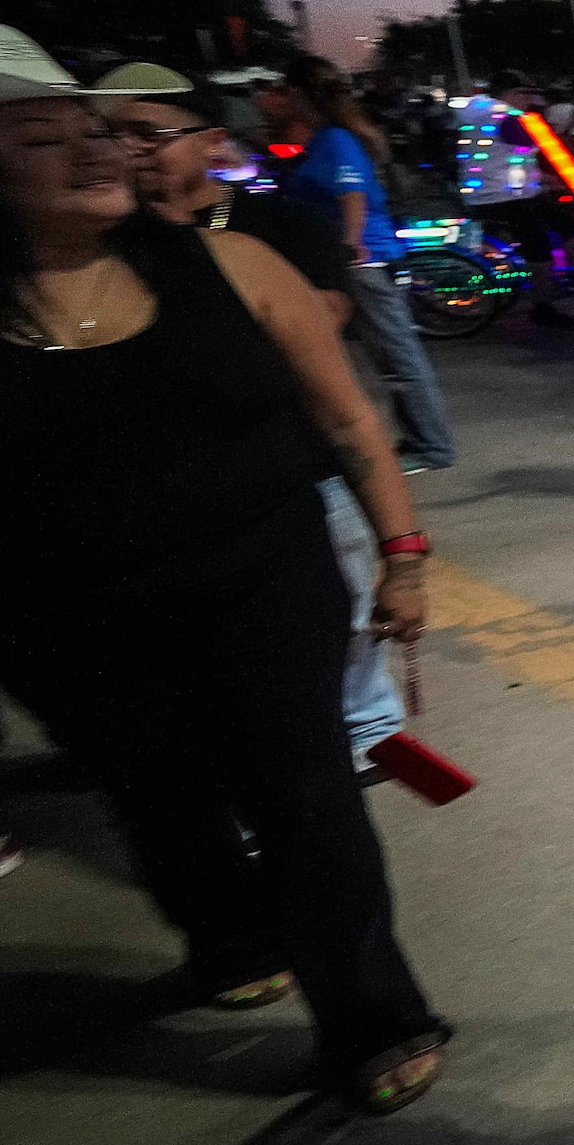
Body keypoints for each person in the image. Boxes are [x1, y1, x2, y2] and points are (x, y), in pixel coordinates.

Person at [0, 24, 451, 1113]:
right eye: (42, 136)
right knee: (158, 798)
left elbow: (350, 424)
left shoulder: (231, 261)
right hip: (57, 625)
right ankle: (229, 932)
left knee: (309, 802)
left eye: (96, 129)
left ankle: (371, 1014)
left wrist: (402, 558)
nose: (96, 150)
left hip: (265, 589)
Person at [102, 64, 448, 786]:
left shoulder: (279, 225)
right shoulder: (98, 246)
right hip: (166, 500)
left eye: (148, 133)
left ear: (211, 142)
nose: (129, 150)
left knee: (350, 614)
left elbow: (326, 332)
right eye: (111, 135)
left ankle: (366, 728)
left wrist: (405, 559)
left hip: (302, 470)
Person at [254, 56, 461, 469]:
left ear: (298, 93)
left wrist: (349, 246)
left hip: (365, 261)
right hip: (353, 260)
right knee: (390, 358)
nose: (274, 98)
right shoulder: (324, 139)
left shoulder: (335, 140)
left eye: (282, 89)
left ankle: (432, 447)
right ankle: (420, 441)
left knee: (399, 357)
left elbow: (353, 197)